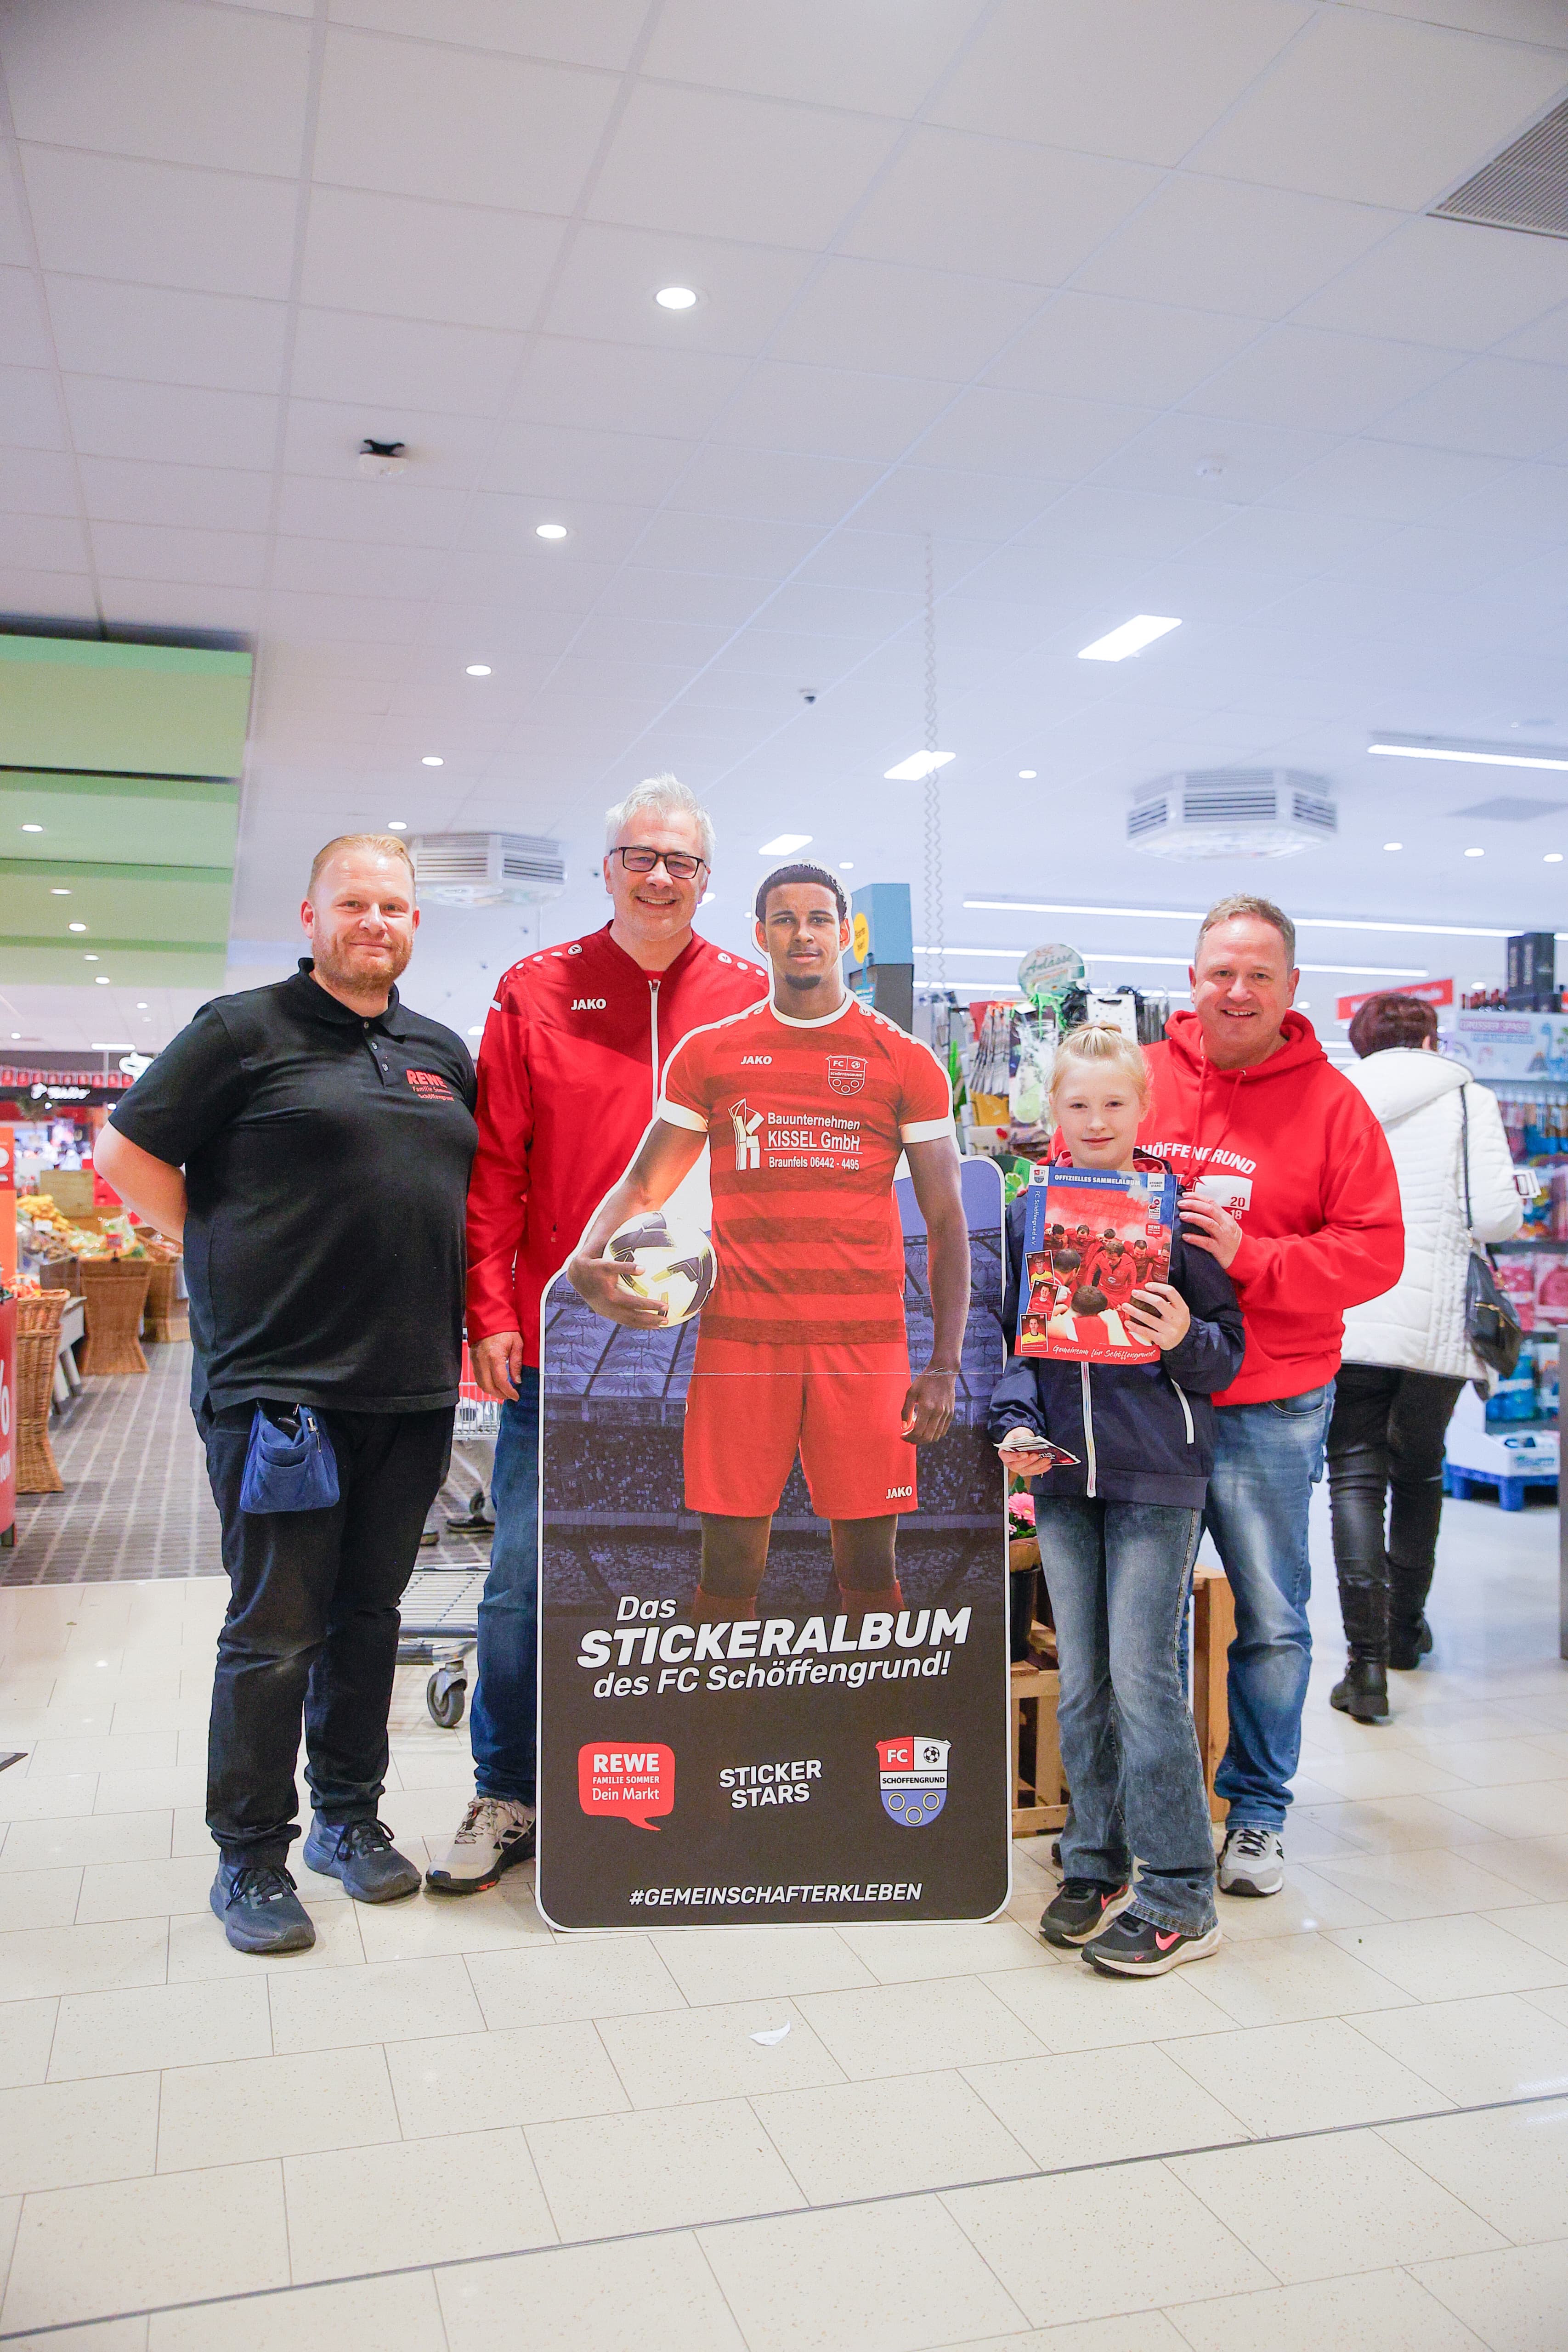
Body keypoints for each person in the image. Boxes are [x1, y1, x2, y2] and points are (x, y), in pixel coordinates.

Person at [95, 837, 477, 1955]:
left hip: (410, 1388)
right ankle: (251, 1855)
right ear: (311, 914)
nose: (375, 920)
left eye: (394, 904)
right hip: (279, 1389)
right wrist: (224, 1253)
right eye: (353, 901)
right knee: (275, 1631)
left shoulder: (437, 1049)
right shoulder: (240, 1031)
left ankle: (348, 1820)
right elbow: (127, 1156)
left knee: (369, 1618)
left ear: (414, 925)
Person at [427, 775, 767, 1893]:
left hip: (713, 1345)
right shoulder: (538, 989)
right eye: (641, 855)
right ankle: (508, 1789)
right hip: (564, 1345)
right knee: (526, 1571)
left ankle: (695, 1773)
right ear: (608, 867)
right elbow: (497, 1172)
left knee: (708, 1567)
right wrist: (489, 1312)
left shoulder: (753, 994)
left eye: (683, 861)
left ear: (707, 879)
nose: (661, 875)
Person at [567, 862, 969, 1622]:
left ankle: (870, 1722)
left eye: (818, 919)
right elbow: (643, 1182)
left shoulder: (903, 1060)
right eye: (784, 920)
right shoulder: (711, 1053)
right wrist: (584, 1259)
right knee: (725, 1574)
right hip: (741, 1344)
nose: (802, 934)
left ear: (844, 934)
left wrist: (944, 1363)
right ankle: (724, 1730)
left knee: (869, 1570)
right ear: (760, 937)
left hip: (864, 1346)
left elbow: (947, 1224)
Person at [1141, 893, 1404, 1896]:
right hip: (1150, 1400)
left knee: (1275, 1618)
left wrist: (1257, 1259)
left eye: (1259, 973)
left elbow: (1377, 1250)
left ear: (1293, 988)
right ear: (1192, 977)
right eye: (1220, 971)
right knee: (1149, 1615)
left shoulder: (1334, 1104)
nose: (1237, 990)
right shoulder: (1146, 1079)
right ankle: (1153, 1805)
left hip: (1272, 1401)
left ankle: (1257, 1812)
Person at [990, 1025, 1245, 1976]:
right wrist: (1012, 1422)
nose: (1096, 1121)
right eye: (1077, 1104)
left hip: (1156, 1476)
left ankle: (1181, 1889)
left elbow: (1226, 1352)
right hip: (1062, 1475)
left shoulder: (1181, 1216)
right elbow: (1012, 1341)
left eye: (1114, 1103)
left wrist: (1182, 1333)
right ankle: (1093, 1863)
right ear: (1052, 1113)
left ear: (1145, 1108)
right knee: (1087, 1680)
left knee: (1145, 1677)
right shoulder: (1031, 1215)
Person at [1327, 993, 1521, 1720]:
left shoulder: (1336, 1096)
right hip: (1439, 1320)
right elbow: (1497, 1214)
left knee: (1352, 1478)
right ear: (1433, 1037)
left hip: (1351, 1313)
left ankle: (1364, 1667)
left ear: (1359, 1041)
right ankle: (1405, 1633)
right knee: (1418, 1472)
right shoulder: (1470, 1099)